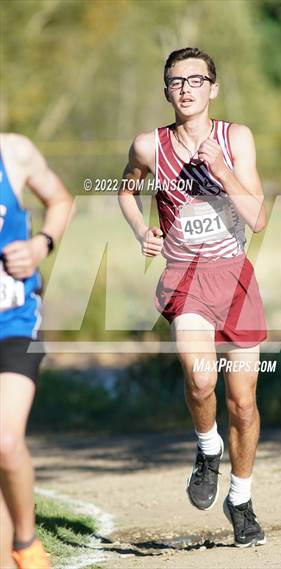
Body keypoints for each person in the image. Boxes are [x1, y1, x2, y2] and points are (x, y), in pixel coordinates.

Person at [119, 47, 267, 548]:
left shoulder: (236, 138)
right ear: (166, 91)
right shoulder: (149, 145)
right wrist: (143, 229)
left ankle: (241, 500)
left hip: (235, 278)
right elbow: (125, 190)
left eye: (195, 80)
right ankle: (207, 448)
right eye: (175, 81)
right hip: (185, 276)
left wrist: (223, 171)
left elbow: (259, 218)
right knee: (201, 378)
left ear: (213, 88)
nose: (186, 88)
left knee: (243, 403)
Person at [0, 133, 73, 568]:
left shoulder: (14, 152)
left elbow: (62, 201)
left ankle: (27, 542)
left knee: (5, 441)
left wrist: (40, 245)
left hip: (14, 324)